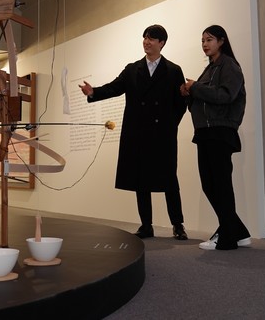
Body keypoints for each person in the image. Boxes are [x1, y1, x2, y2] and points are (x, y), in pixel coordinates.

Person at [79, 24, 188, 240]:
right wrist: (93, 93)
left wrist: (169, 125)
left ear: (162, 43)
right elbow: (114, 87)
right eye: (145, 37)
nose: (147, 42)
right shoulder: (132, 69)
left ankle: (178, 225)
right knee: (141, 181)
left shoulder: (173, 70)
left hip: (162, 135)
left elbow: (181, 102)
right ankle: (146, 225)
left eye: (152, 38)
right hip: (138, 132)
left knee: (169, 180)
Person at [180, 24, 251, 250]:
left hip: (220, 132)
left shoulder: (229, 65)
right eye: (202, 40)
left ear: (221, 41)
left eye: (209, 39)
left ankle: (228, 237)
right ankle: (238, 232)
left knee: (219, 185)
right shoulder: (210, 69)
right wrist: (189, 92)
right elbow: (204, 101)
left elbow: (226, 95)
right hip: (206, 132)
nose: (205, 44)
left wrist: (195, 88)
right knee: (211, 185)